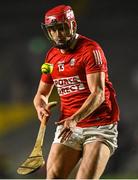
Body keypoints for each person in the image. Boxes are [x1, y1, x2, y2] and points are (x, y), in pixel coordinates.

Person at [33, 4, 120, 179]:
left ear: (73, 25)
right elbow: (41, 94)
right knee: (53, 177)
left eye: (61, 28)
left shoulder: (91, 50)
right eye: (52, 30)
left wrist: (75, 119)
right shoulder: (51, 56)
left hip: (99, 126)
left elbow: (98, 94)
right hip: (68, 127)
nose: (57, 34)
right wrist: (40, 106)